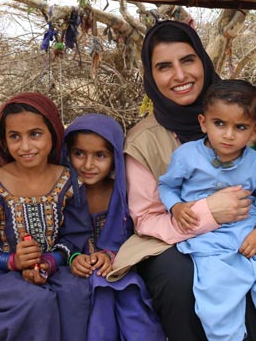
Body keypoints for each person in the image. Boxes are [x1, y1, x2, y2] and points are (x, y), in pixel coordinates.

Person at [120, 20, 256, 341]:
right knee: (180, 277)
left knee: (246, 266)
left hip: (238, 230)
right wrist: (209, 213)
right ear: (151, 75)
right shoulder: (143, 140)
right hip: (167, 242)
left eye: (187, 60)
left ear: (203, 60)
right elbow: (147, 218)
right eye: (164, 67)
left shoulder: (237, 116)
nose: (180, 75)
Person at [158, 79, 256, 341]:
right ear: (203, 122)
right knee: (217, 285)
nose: (228, 135)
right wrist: (177, 206)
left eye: (240, 127)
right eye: (219, 124)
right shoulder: (187, 156)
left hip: (249, 228)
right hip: (208, 236)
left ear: (255, 131)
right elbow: (167, 187)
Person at [0, 92, 90, 341]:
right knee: (35, 302)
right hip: (1, 279)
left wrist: (47, 263)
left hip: (57, 269)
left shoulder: (68, 181)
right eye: (15, 136)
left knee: (77, 294)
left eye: (35, 134)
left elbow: (75, 238)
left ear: (53, 134)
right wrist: (14, 261)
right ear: (4, 141)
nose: (25, 146)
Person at [63, 113, 165, 341]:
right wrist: (74, 258)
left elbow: (135, 236)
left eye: (100, 155)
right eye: (79, 153)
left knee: (128, 291)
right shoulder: (63, 194)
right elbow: (58, 238)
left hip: (121, 267)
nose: (88, 164)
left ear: (115, 157)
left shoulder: (125, 193)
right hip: (73, 271)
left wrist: (111, 256)